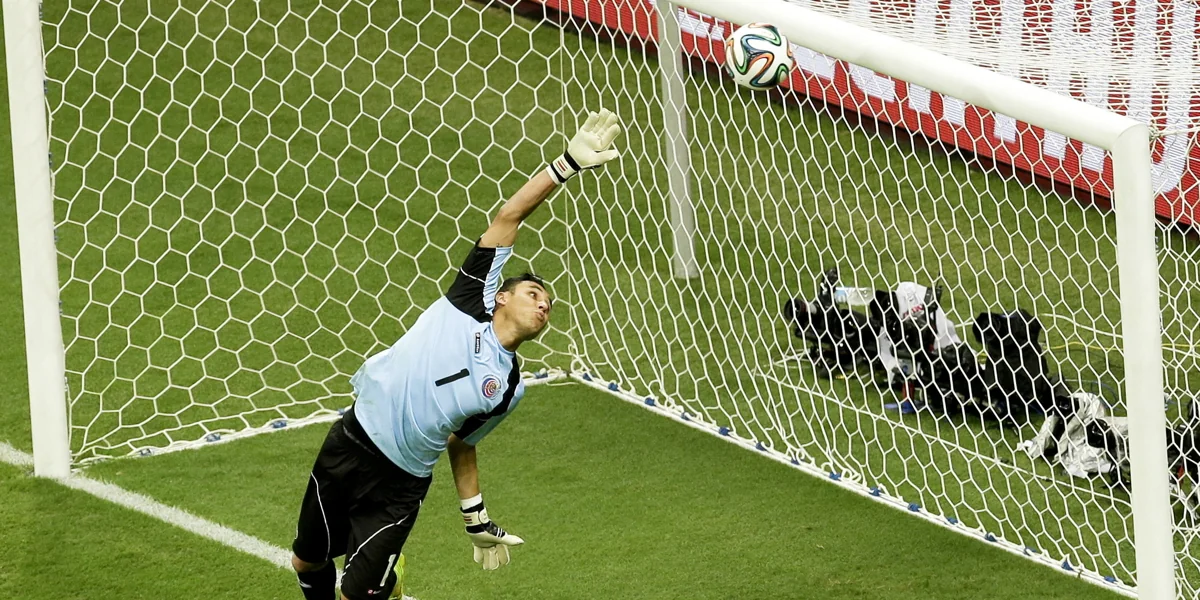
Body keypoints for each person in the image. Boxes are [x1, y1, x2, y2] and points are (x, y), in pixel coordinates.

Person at [289, 109, 623, 600]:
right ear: (502, 296)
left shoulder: (508, 388)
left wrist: (476, 518)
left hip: (401, 483)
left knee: (357, 596)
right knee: (307, 559)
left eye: (548, 305)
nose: (543, 304)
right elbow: (509, 217)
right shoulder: (470, 299)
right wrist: (566, 166)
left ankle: (383, 583)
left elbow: (462, 443)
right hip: (352, 440)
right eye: (533, 293)